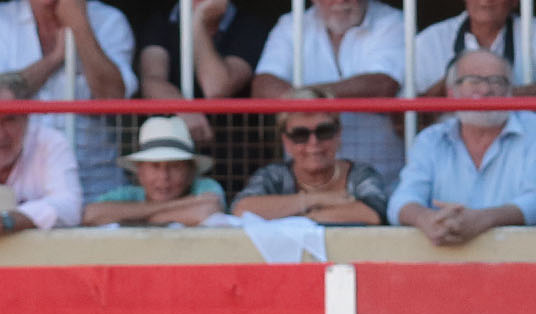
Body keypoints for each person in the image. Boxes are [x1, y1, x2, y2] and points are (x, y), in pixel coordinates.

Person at [389, 49, 536, 245]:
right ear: (451, 93)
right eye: (472, 81)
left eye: (497, 81)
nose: (485, 90)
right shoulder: (430, 140)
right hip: (442, 262)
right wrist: (426, 219)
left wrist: (483, 219)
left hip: (519, 258)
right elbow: (402, 200)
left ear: (510, 92)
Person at [251, 0, 405, 182]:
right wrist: (310, 98)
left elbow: (382, 85)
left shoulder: (392, 21)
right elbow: (263, 84)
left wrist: (305, 98)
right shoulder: (292, 23)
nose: (340, 1)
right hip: (307, 180)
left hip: (382, 176)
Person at [0, 0, 134, 198]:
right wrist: (54, 59)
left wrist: (79, 25)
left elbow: (113, 97)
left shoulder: (109, 21)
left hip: (96, 185)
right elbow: (3, 93)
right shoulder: (3, 21)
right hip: (21, 187)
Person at [232, 88, 388, 223]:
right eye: (300, 134)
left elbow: (373, 213)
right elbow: (241, 209)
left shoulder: (360, 174)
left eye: (324, 132)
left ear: (338, 134)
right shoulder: (274, 175)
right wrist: (318, 199)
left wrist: (302, 219)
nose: (313, 142)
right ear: (286, 141)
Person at [136, 0, 268, 158]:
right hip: (169, 157)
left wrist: (197, 23)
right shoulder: (160, 21)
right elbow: (151, 81)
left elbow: (216, 88)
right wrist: (184, 109)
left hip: (232, 157)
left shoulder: (249, 25)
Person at [413, 0, 536, 97]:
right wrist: (443, 92)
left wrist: (509, 95)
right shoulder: (431, 40)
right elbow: (400, 121)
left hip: (520, 142)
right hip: (448, 145)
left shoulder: (534, 32)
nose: (486, 1)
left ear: (516, 2)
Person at [80, 114, 223, 226]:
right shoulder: (128, 194)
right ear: (140, 171)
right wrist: (177, 206)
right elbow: (91, 215)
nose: (164, 176)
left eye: (174, 166)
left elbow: (209, 210)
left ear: (191, 172)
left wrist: (134, 217)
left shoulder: (205, 187)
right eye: (155, 166)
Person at [0, 70, 79, 232]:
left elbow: (70, 207)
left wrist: (11, 220)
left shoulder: (50, 143)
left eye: (9, 119)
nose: (1, 134)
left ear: (27, 117)